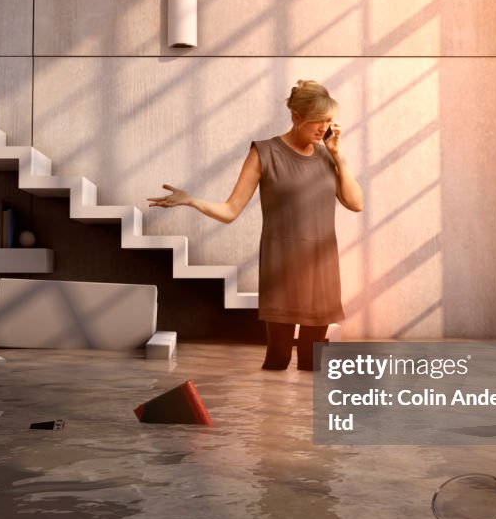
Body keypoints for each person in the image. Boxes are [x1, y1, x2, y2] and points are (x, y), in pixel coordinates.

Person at [148, 80, 363, 370]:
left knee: (313, 364)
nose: (324, 128)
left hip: (322, 271)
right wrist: (191, 200)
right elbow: (230, 210)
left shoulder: (327, 156)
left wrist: (338, 156)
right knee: (278, 359)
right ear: (296, 117)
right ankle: (270, 416)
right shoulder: (265, 152)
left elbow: (355, 202)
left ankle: (304, 417)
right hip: (281, 270)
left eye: (328, 121)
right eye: (317, 121)